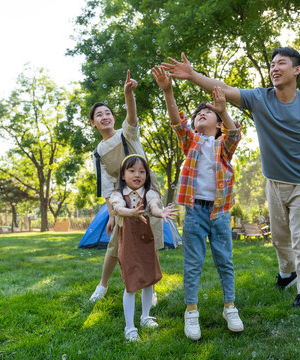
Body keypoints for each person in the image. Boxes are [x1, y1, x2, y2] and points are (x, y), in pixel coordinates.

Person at [162, 47, 300, 308]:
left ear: (297, 69)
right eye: (272, 64)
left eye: (281, 63)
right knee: (280, 239)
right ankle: (287, 273)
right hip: (273, 182)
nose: (274, 68)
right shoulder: (260, 98)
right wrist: (192, 75)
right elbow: (222, 88)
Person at [152, 65, 244, 341]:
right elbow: (177, 123)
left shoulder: (223, 147)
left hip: (218, 214)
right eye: (198, 114)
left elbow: (235, 134)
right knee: (192, 263)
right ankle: (191, 312)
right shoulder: (191, 143)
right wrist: (168, 91)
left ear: (218, 125)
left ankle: (230, 306)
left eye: (209, 113)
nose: (201, 114)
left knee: (224, 261)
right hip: (194, 213)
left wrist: (223, 109)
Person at [88, 70, 164, 303]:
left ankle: (149, 289)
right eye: (99, 115)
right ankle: (102, 285)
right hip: (123, 198)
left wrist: (128, 94)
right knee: (115, 243)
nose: (104, 117)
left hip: (148, 191)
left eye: (108, 113)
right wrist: (111, 215)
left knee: (149, 239)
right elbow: (107, 187)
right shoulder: (97, 153)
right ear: (93, 123)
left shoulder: (127, 134)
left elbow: (132, 118)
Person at [110, 154, 178, 341]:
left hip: (146, 241)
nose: (137, 174)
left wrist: (160, 212)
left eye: (142, 171)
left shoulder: (150, 193)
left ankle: (145, 316)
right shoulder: (118, 194)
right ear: (123, 175)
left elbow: (154, 207)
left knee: (149, 280)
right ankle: (129, 327)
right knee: (131, 285)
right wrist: (131, 212)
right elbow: (118, 209)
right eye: (132, 171)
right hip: (129, 243)